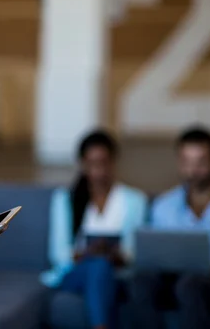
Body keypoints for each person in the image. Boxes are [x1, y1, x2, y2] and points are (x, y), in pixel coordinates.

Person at [129, 126, 210, 329]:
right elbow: (155, 255)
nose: (193, 171)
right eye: (186, 163)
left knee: (190, 285)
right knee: (140, 281)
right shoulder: (164, 205)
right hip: (174, 280)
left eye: (201, 163)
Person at [40, 129, 148, 329]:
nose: (98, 171)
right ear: (82, 164)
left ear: (113, 162)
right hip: (77, 273)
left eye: (103, 163)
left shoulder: (134, 201)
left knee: (103, 267)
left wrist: (117, 255)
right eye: (91, 164)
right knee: (98, 266)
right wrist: (87, 254)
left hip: (118, 272)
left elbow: (136, 250)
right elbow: (59, 254)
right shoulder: (66, 200)